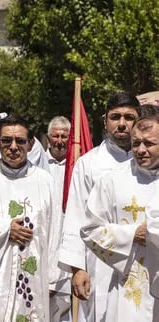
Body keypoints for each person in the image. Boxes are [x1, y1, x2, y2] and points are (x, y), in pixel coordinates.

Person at [0, 115, 62, 321]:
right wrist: (4, 228)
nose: (13, 147)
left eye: (20, 141)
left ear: (30, 144)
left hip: (35, 278)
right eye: (6, 141)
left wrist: (53, 279)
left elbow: (56, 230)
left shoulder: (46, 182)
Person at [58, 91, 139, 321]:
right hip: (100, 263)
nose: (122, 124)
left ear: (138, 120)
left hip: (142, 260)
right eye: (115, 117)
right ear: (105, 120)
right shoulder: (89, 163)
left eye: (129, 117)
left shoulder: (151, 162)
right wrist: (77, 268)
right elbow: (75, 216)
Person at [80, 111, 159, 320]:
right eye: (136, 143)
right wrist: (131, 235)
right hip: (128, 288)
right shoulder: (112, 181)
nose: (141, 150)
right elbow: (89, 230)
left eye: (149, 144)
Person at [43, 116, 72, 322]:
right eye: (56, 136)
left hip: (68, 241)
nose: (60, 140)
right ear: (48, 138)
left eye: (65, 136)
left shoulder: (77, 166)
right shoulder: (38, 163)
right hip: (44, 240)